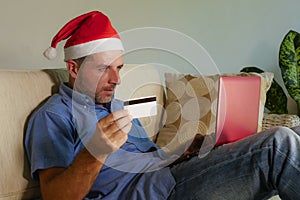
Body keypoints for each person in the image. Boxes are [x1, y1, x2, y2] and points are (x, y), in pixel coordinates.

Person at [25, 10, 300, 200]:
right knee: (279, 145)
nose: (117, 78)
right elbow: (55, 195)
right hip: (161, 192)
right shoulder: (53, 116)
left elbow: (151, 157)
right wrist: (95, 151)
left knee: (296, 132)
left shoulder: (116, 105)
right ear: (73, 68)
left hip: (173, 174)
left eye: (119, 67)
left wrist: (183, 151)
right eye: (104, 69)